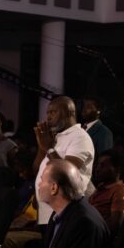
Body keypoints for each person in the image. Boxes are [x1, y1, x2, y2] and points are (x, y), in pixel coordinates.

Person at [33, 96, 95, 226]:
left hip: (65, 214)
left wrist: (49, 148)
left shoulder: (80, 137)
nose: (48, 117)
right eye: (47, 113)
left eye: (53, 112)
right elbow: (36, 169)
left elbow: (67, 174)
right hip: (45, 213)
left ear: (69, 113)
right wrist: (41, 146)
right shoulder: (55, 138)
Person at [88, 149, 124, 236]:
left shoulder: (119, 191)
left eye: (102, 166)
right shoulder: (101, 187)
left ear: (117, 170)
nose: (97, 169)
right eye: (98, 165)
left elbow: (114, 227)